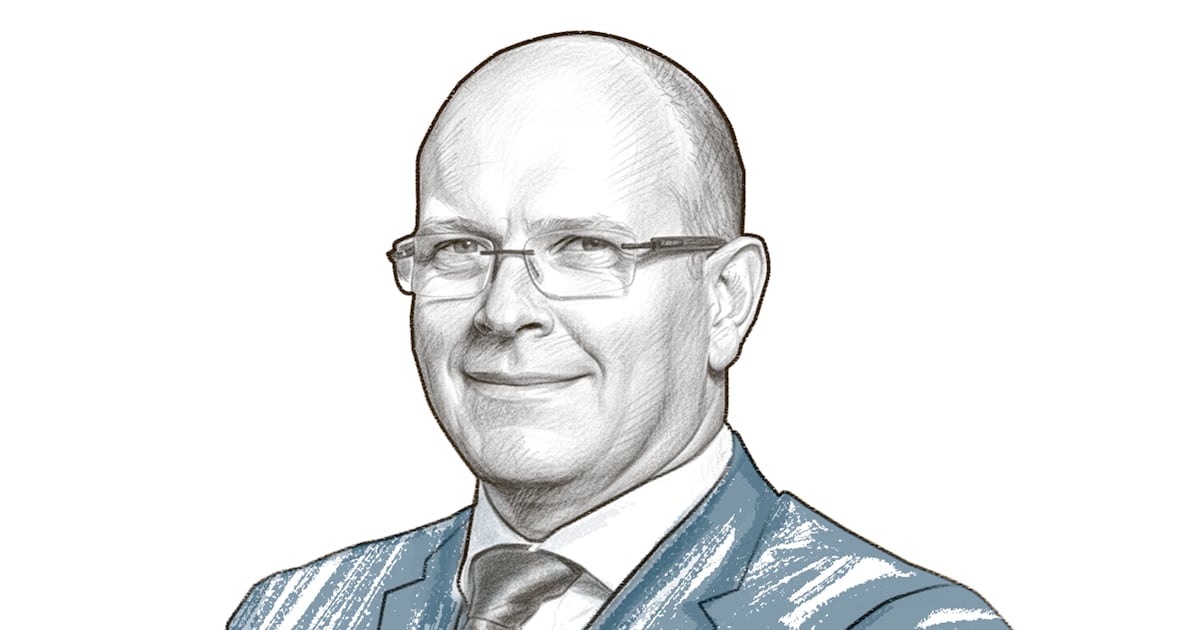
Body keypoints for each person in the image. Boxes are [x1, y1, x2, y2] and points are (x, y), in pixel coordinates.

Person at [228, 32, 1009, 630]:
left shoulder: (887, 622)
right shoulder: (296, 613)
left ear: (726, 299)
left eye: (584, 247)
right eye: (459, 248)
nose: (503, 310)